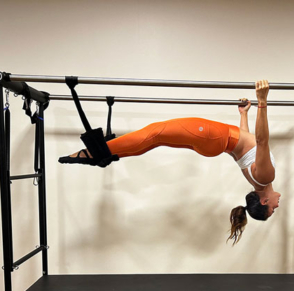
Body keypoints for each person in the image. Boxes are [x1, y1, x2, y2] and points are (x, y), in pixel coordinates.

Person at [59, 79, 281, 245]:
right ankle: (108, 154)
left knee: (156, 133)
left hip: (213, 137)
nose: (277, 205)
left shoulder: (265, 177)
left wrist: (262, 102)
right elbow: (248, 142)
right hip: (216, 142)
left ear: (264, 202)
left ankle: (95, 152)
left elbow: (261, 141)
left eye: (272, 209)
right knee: (156, 139)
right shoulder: (257, 180)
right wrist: (243, 114)